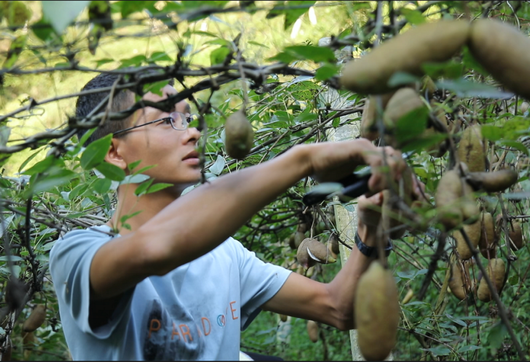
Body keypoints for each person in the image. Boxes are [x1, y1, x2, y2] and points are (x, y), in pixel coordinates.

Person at [49, 73, 413, 361]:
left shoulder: (224, 254)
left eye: (189, 119)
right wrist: (304, 159)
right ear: (113, 153)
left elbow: (339, 307)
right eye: (167, 121)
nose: (191, 132)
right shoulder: (78, 254)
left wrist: (369, 234)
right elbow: (155, 249)